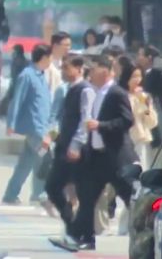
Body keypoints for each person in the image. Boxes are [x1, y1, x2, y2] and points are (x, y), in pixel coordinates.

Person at [53, 56, 137, 252]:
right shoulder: (95, 92)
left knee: (130, 197)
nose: (90, 73)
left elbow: (127, 120)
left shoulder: (116, 93)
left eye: (94, 69)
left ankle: (146, 232)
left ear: (105, 71)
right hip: (97, 157)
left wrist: (101, 125)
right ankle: (81, 237)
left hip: (116, 157)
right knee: (87, 197)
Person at [3, 44, 53, 205]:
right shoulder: (27, 75)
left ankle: (11, 195)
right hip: (34, 127)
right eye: (50, 57)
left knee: (26, 163)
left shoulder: (41, 75)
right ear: (44, 57)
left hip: (41, 126)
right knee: (44, 158)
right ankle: (39, 193)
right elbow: (17, 99)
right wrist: (11, 123)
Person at [45, 55, 90, 230]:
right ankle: (71, 223)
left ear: (79, 69)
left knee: (81, 190)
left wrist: (76, 144)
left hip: (75, 148)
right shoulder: (68, 89)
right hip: (63, 145)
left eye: (67, 68)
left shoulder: (85, 90)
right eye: (62, 67)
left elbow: (85, 120)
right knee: (52, 186)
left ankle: (78, 229)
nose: (63, 71)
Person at [120, 61, 158, 168]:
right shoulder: (121, 95)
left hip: (141, 139)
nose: (137, 80)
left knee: (143, 169)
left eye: (139, 76)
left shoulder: (145, 97)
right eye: (134, 76)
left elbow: (152, 123)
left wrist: (145, 106)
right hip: (126, 140)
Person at [138, 45, 162, 149]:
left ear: (149, 58)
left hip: (156, 114)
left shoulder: (155, 74)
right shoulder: (144, 73)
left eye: (140, 55)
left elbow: (145, 96)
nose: (138, 58)